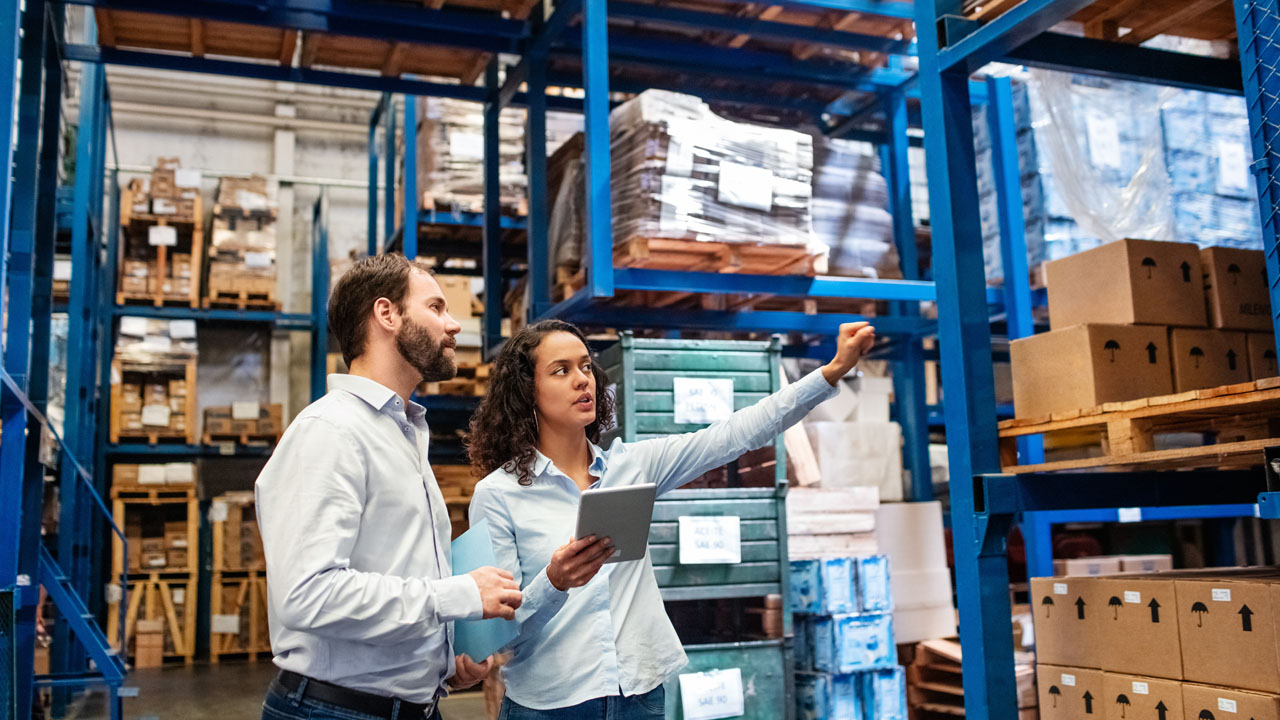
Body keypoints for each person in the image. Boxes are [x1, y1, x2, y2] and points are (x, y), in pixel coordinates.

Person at [254, 255, 610, 720]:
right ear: (387, 315)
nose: (454, 324)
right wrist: (459, 595)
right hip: (335, 710)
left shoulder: (401, 430)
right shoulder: (331, 431)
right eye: (437, 307)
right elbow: (306, 595)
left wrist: (443, 660)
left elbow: (395, 571)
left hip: (411, 705)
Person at [467, 319, 876, 718]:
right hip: (550, 705)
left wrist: (832, 370)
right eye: (561, 371)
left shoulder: (634, 467)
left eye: (586, 366)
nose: (582, 380)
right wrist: (554, 583)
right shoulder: (498, 495)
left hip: (639, 697)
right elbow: (499, 631)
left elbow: (736, 433)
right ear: (526, 392)